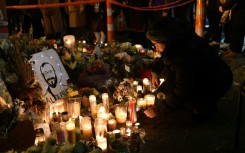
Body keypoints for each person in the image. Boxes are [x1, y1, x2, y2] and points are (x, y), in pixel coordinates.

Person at [144, 17, 233, 122]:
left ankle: (204, 108)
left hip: (216, 80)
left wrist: (159, 110)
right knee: (171, 85)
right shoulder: (178, 39)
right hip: (202, 74)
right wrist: (155, 72)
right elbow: (167, 55)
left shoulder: (187, 56)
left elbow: (182, 90)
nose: (156, 49)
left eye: (155, 44)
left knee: (188, 112)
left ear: (166, 40)